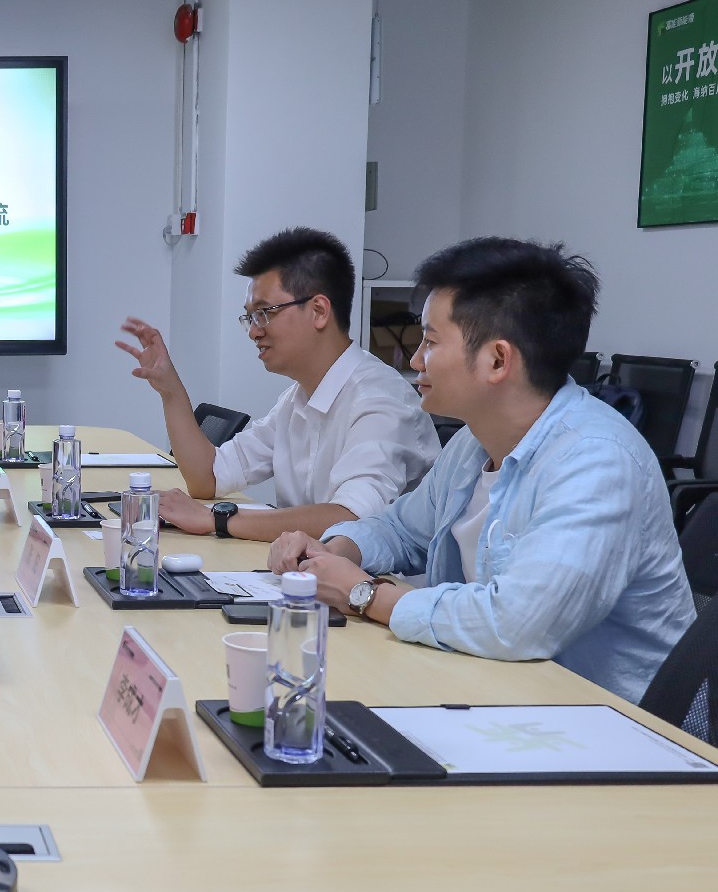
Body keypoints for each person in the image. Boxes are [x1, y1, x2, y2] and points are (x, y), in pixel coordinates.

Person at [270, 237, 694, 704]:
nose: (415, 360)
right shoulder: (474, 443)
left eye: (431, 342)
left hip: (607, 723)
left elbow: (518, 622)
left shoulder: (597, 462)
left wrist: (365, 595)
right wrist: (334, 552)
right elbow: (401, 529)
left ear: (497, 360)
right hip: (496, 689)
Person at [116, 227, 439, 543]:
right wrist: (170, 389)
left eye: (264, 313)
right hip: (302, 568)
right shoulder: (296, 399)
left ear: (318, 311)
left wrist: (219, 520)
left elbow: (351, 519)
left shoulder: (379, 400)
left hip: (371, 576)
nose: (253, 331)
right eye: (250, 317)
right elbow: (208, 478)